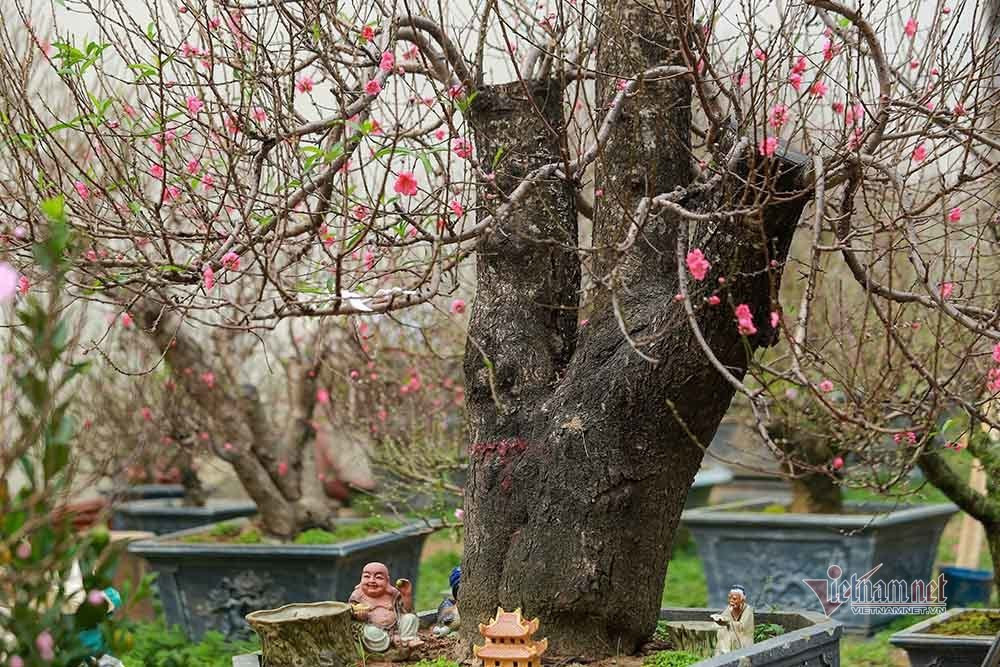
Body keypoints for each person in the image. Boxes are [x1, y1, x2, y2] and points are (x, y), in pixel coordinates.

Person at [349, 562, 423, 652]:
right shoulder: (358, 596)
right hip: (376, 631)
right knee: (370, 632)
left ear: (387, 580)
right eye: (367, 576)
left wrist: (406, 595)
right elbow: (351, 613)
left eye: (379, 577)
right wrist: (359, 616)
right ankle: (391, 641)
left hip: (396, 628)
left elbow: (406, 610)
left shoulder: (393, 594)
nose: (372, 580)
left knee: (410, 618)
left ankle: (407, 639)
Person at [712, 585, 754, 655]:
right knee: (722, 631)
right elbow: (724, 617)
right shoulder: (730, 609)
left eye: (734, 599)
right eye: (729, 598)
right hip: (730, 639)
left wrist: (728, 623)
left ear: (742, 600)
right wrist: (719, 620)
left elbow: (742, 627)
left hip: (743, 640)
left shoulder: (748, 610)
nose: (731, 601)